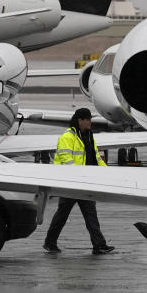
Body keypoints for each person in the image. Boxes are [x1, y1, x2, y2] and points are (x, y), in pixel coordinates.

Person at [42, 107, 115, 254]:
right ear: (79, 120)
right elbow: (65, 158)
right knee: (62, 215)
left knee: (91, 215)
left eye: (90, 119)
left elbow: (96, 157)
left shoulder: (89, 136)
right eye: (87, 119)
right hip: (70, 184)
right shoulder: (67, 137)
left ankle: (99, 245)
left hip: (85, 183)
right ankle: (50, 242)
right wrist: (78, 175)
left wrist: (107, 172)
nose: (90, 122)